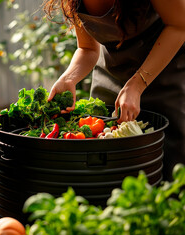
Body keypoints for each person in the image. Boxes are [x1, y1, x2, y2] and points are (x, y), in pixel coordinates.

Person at [44, 0, 185, 180]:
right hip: (110, 80)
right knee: (107, 172)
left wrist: (137, 84)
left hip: (166, 74)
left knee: (169, 172)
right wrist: (69, 77)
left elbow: (179, 25)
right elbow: (87, 48)